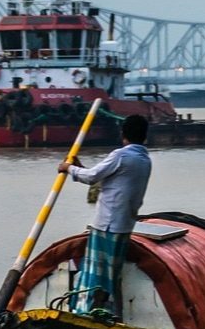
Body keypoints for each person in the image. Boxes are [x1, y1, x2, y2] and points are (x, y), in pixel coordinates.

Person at [58, 114, 151, 317]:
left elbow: (92, 177)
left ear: (123, 134)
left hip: (107, 224)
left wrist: (68, 168)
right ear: (145, 136)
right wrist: (78, 168)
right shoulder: (144, 160)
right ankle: (107, 310)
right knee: (111, 273)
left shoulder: (121, 156)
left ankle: (88, 311)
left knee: (95, 272)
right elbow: (104, 179)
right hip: (124, 224)